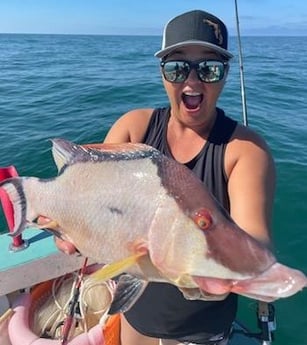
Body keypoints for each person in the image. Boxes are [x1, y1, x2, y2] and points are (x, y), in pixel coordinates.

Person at [56, 9, 276, 345]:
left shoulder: (243, 150)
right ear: (162, 74)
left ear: (225, 74)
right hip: (134, 321)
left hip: (203, 333)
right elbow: (88, 198)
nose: (192, 81)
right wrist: (65, 225)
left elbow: (255, 240)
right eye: (177, 67)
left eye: (209, 68)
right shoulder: (133, 129)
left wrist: (239, 272)